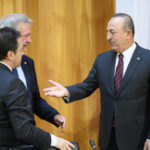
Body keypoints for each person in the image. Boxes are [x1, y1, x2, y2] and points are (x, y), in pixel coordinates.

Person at [43, 13, 150, 150]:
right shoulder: (102, 60)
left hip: (137, 138)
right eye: (107, 32)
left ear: (128, 33)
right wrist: (67, 91)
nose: (108, 37)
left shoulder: (147, 60)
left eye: (112, 32)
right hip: (108, 137)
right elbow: (87, 86)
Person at [0, 27, 74, 150]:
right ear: (10, 54)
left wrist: (53, 115)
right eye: (20, 50)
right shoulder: (13, 83)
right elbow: (24, 130)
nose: (23, 53)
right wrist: (55, 141)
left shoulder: (26, 65)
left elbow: (34, 99)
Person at [0, 13, 66, 132]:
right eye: (26, 36)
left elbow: (33, 99)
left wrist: (53, 115)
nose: (30, 40)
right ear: (11, 35)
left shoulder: (27, 62)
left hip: (27, 136)